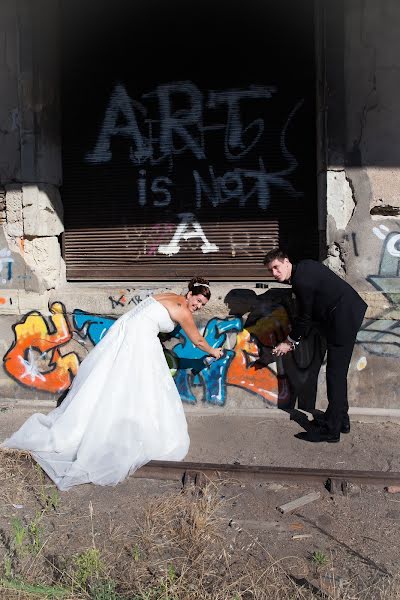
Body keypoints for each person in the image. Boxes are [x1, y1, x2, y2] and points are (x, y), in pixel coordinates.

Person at [1, 277, 223, 490]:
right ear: (190, 293)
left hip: (126, 333)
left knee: (115, 383)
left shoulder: (169, 296)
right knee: (143, 388)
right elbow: (198, 340)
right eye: (198, 301)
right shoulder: (183, 309)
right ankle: (128, 429)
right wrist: (214, 351)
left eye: (202, 304)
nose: (198, 306)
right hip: (140, 341)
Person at [264, 249, 367, 443]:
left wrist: (288, 342)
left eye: (276, 268)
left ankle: (331, 431)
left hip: (343, 318)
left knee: (335, 374)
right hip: (345, 314)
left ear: (286, 261)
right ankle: (340, 419)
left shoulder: (301, 280)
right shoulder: (304, 269)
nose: (275, 274)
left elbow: (304, 319)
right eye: (271, 271)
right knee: (337, 373)